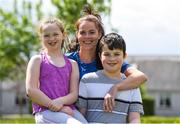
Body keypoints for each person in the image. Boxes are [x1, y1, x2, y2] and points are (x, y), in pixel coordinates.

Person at [66, 4, 147, 112]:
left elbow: (141, 77)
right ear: (77, 34)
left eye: (92, 32)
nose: (87, 37)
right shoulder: (66, 60)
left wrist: (115, 88)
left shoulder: (107, 60)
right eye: (82, 33)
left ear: (99, 34)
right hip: (69, 115)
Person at [25, 17, 87, 124]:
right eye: (46, 35)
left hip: (69, 109)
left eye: (55, 34)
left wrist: (60, 102)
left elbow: (73, 94)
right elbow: (31, 90)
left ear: (63, 35)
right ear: (41, 38)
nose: (51, 38)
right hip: (45, 111)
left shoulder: (72, 64)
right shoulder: (37, 60)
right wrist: (56, 106)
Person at [77, 32, 144, 123]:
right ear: (100, 56)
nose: (112, 58)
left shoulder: (132, 85)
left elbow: (134, 119)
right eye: (107, 54)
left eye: (116, 54)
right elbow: (81, 115)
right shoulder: (87, 80)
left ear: (124, 56)